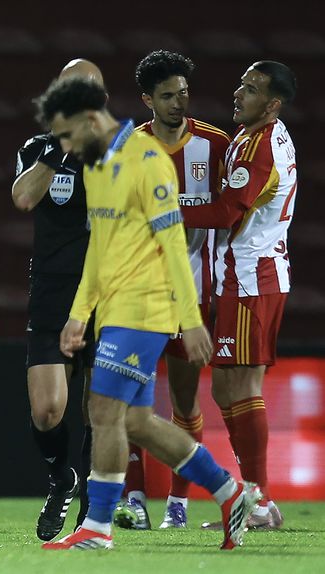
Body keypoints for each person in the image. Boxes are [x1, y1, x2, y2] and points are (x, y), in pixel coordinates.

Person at [37, 76, 260, 551]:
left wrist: (192, 318)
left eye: (69, 134)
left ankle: (97, 528)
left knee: (102, 409)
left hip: (148, 304)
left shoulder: (148, 161)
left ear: (92, 119)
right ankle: (227, 490)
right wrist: (80, 314)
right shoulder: (97, 166)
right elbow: (100, 245)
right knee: (135, 422)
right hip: (114, 307)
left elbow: (174, 243)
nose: (67, 146)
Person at [114, 50, 230, 530]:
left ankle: (178, 504)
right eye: (167, 96)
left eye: (184, 93)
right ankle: (135, 497)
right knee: (130, 399)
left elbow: (233, 215)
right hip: (140, 294)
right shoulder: (128, 147)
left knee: (185, 402)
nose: (179, 103)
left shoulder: (215, 145)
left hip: (194, 296)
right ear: (147, 100)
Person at [181, 61, 297, 530]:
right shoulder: (254, 136)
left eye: (250, 90)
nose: (238, 93)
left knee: (242, 387)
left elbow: (228, 211)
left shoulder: (261, 146)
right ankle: (253, 496)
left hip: (253, 278)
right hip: (243, 277)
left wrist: (165, 210)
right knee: (229, 386)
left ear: (272, 104)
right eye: (241, 85)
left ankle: (261, 501)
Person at [10, 58, 102, 540]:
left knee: (98, 409)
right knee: (47, 411)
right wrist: (61, 150)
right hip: (53, 291)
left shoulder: (122, 149)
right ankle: (60, 477)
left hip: (108, 291)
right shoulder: (38, 148)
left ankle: (93, 500)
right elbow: (24, 198)